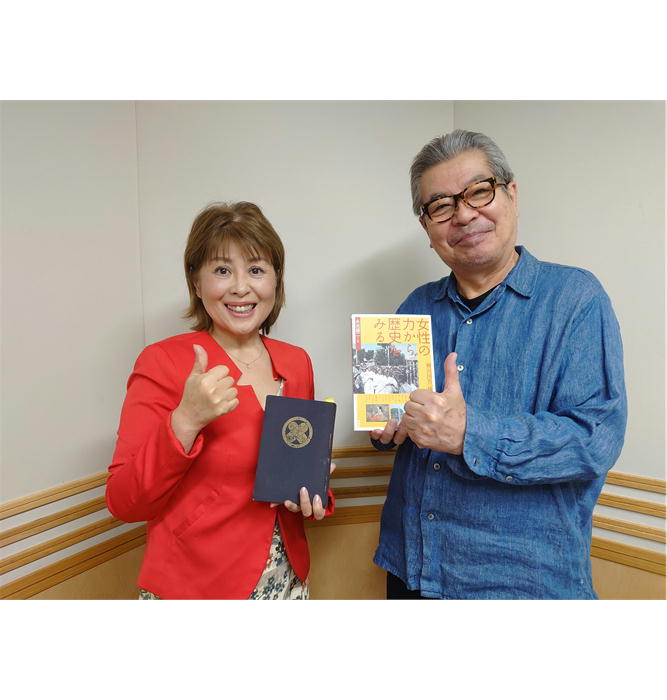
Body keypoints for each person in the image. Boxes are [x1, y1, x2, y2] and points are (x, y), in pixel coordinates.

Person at [371, 130, 627, 599]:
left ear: (512, 195)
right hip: (410, 567)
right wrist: (385, 426)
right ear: (427, 229)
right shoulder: (414, 307)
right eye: (441, 206)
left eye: (478, 191)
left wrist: (469, 433)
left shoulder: (576, 299)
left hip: (518, 584)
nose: (464, 214)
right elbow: (390, 416)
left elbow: (595, 440)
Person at [106, 201, 334, 599]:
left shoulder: (296, 363)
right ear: (197, 283)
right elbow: (124, 502)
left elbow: (297, 463)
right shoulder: (164, 362)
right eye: (222, 270)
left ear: (276, 281)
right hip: (195, 585)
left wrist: (313, 493)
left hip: (287, 580)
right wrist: (186, 420)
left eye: (256, 270)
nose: (241, 287)